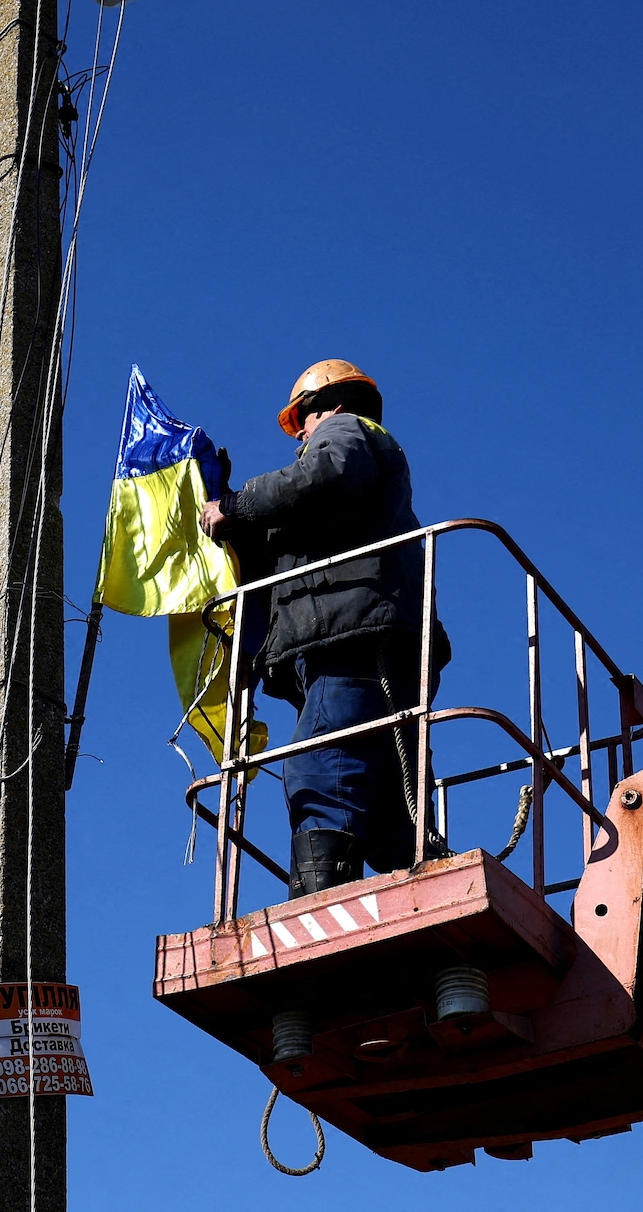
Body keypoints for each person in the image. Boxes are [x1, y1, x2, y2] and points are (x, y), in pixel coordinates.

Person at [201, 360, 448, 899]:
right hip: (377, 634)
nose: (302, 435)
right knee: (389, 801)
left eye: (303, 420)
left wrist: (235, 505)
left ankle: (316, 903)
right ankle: (421, 885)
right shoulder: (358, 495)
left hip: (356, 637)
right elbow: (297, 539)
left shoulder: (345, 432)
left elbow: (326, 475)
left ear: (328, 405)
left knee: (323, 766)